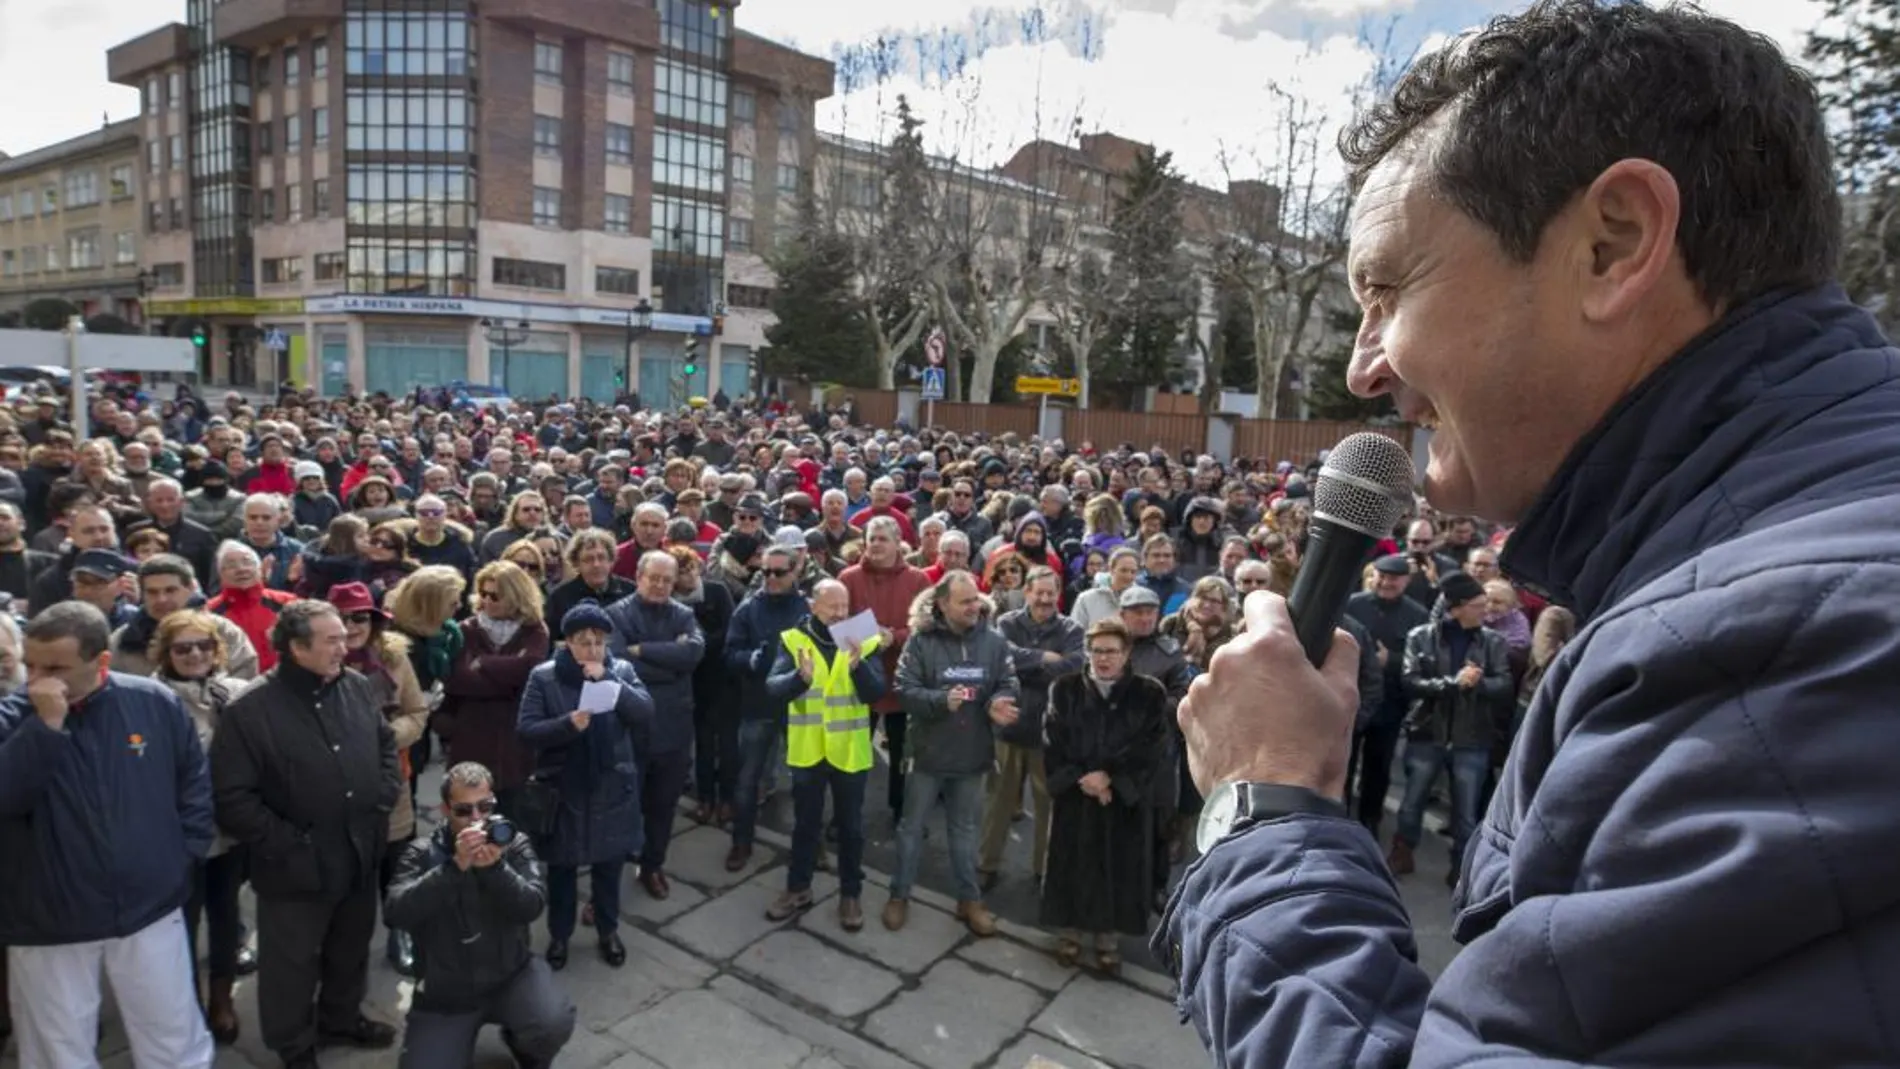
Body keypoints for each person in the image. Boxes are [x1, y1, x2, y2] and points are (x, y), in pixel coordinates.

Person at [1160, 3, 1900, 1065]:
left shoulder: (1794, 647)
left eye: (1385, 289)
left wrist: (1268, 808)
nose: (1363, 367)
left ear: (1614, 243)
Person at [0, 602, 216, 1068]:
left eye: (55, 667)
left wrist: (183, 856)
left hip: (149, 906)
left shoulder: (152, 702)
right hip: (49, 918)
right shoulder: (13, 716)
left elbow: (193, 783)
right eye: (31, 664)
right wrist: (45, 728)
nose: (38, 678)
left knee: (172, 1034)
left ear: (100, 662)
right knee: (57, 1048)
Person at [211, 600, 402, 1069]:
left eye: (344, 635)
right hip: (294, 868)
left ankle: (340, 1019)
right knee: (290, 966)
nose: (346, 645)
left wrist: (381, 799)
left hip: (358, 850)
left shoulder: (356, 686)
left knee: (351, 948)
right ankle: (294, 1046)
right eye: (332, 639)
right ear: (296, 647)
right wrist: (288, 844)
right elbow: (232, 797)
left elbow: (383, 746)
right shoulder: (249, 709)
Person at [385, 761, 577, 1069]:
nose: (477, 818)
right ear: (446, 810)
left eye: (484, 807)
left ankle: (525, 1048)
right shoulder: (420, 853)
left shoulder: (513, 843)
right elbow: (396, 912)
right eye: (464, 811)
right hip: (446, 996)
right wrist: (452, 868)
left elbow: (532, 905)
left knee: (552, 1021)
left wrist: (496, 870)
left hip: (510, 976)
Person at [516, 601, 653, 970]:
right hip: (565, 790)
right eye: (583, 642)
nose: (592, 650)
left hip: (611, 787)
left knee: (609, 869)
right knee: (561, 870)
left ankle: (608, 931)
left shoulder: (620, 669)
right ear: (567, 643)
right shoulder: (544, 677)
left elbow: (644, 712)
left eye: (598, 642)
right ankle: (560, 935)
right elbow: (527, 729)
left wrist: (613, 685)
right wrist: (566, 725)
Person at [888, 570, 1020, 936]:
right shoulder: (920, 641)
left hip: (973, 754)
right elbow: (904, 690)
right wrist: (939, 701)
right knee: (911, 829)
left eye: (976, 599)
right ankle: (899, 895)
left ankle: (969, 900)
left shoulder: (994, 642)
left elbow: (1009, 682)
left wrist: (1000, 701)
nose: (974, 606)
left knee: (964, 832)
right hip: (927, 755)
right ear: (943, 604)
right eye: (964, 601)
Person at [1040, 617, 1168, 974]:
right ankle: (1070, 934)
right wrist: (1082, 778)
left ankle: (1108, 939)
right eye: (1096, 651)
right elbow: (1053, 740)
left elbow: (1152, 747)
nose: (1103, 659)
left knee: (1119, 869)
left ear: (1127, 653)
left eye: (1111, 651)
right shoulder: (1064, 689)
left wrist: (1112, 779)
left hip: (1122, 801)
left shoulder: (1149, 693)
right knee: (1072, 865)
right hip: (1076, 797)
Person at [762, 578, 886, 929]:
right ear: (813, 606)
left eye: (845, 606)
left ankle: (850, 894)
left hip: (849, 752)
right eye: (833, 606)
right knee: (805, 826)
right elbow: (773, 689)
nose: (841, 613)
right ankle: (798, 888)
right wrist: (799, 679)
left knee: (851, 828)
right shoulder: (793, 640)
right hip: (810, 751)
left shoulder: (861, 638)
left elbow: (876, 692)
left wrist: (859, 667)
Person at [152, 609, 248, 1045]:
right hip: (175, 832)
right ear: (166, 653)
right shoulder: (152, 697)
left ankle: (221, 998)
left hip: (229, 828)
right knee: (182, 923)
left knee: (227, 916)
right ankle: (185, 1002)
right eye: (183, 647)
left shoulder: (237, 693)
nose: (194, 655)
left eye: (203, 646)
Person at [602, 549, 704, 899]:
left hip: (673, 729)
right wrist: (667, 659)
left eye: (667, 579)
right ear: (639, 577)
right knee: (621, 809)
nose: (661, 585)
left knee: (663, 805)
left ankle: (652, 865)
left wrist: (641, 650)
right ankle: (608, 881)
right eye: (654, 578)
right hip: (629, 731)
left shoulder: (684, 614)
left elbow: (692, 656)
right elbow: (616, 666)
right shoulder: (615, 614)